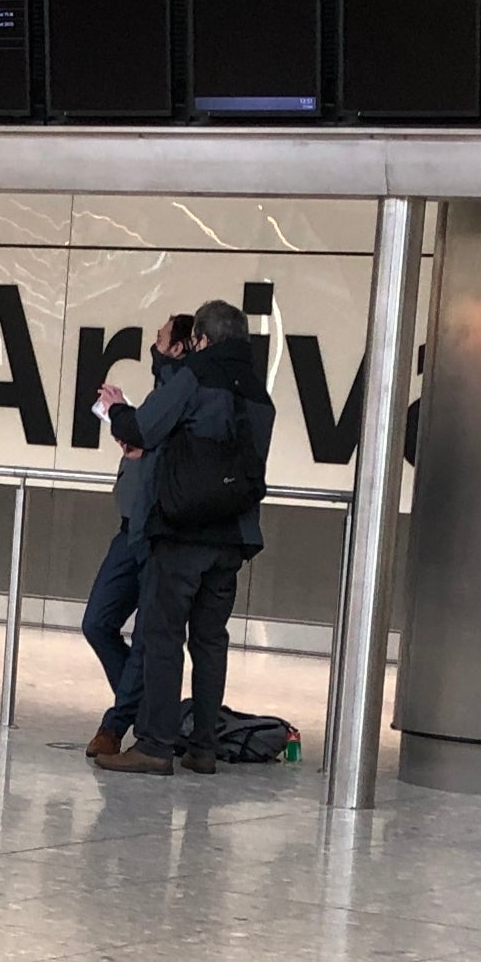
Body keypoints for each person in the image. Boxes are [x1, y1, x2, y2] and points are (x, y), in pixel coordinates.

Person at [95, 298, 272, 776]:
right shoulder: (259, 394)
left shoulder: (196, 376)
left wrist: (115, 411)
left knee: (162, 636)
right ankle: (204, 747)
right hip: (233, 534)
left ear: (202, 340)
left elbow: (146, 427)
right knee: (211, 640)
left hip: (181, 530)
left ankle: (155, 744)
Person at [79, 313, 189, 760]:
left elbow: (169, 450)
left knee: (148, 638)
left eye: (161, 337)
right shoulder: (165, 393)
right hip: (130, 529)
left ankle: (117, 723)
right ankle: (147, 712)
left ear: (179, 346)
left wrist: (125, 416)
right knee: (97, 621)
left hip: (159, 533)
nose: (155, 343)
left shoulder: (185, 394)